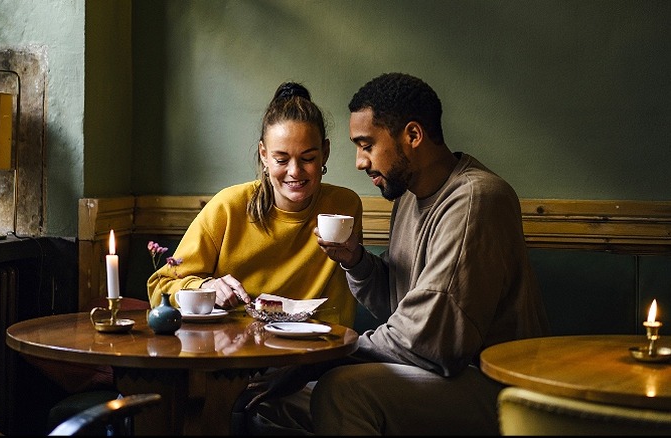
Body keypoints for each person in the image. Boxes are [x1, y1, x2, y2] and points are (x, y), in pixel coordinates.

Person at [239, 73, 550, 435]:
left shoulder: (476, 199)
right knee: (270, 398)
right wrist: (355, 261)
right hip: (430, 375)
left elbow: (429, 339)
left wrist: (318, 361)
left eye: (366, 145)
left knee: (343, 392)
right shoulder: (406, 196)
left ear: (413, 136)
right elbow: (399, 304)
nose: (359, 161)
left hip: (493, 386)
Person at [147, 81, 363, 328]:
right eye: (281, 159)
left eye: (308, 158)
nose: (295, 171)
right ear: (264, 154)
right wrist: (205, 286)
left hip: (316, 353)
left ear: (325, 152)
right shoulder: (228, 208)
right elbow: (160, 286)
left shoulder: (344, 206)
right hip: (236, 353)